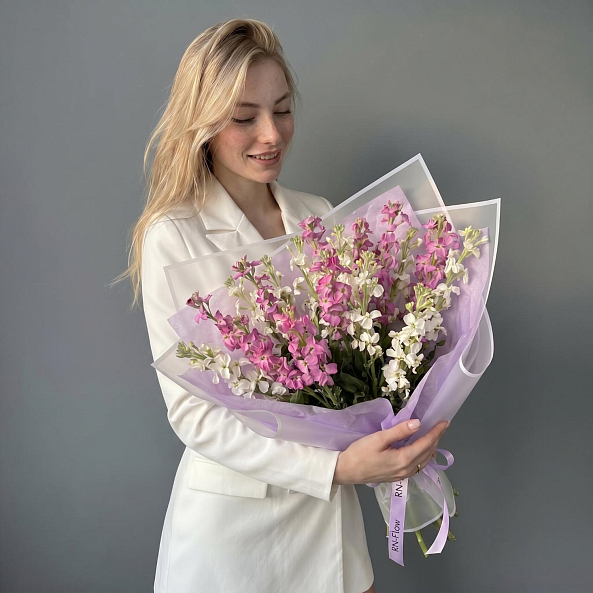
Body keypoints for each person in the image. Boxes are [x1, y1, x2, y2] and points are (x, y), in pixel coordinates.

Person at [111, 17, 449, 593]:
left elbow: (354, 373)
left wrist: (394, 437)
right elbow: (193, 414)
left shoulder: (317, 215)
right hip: (235, 534)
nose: (271, 133)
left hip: (329, 531)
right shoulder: (174, 234)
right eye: (244, 117)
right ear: (202, 123)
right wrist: (336, 467)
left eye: (283, 109)